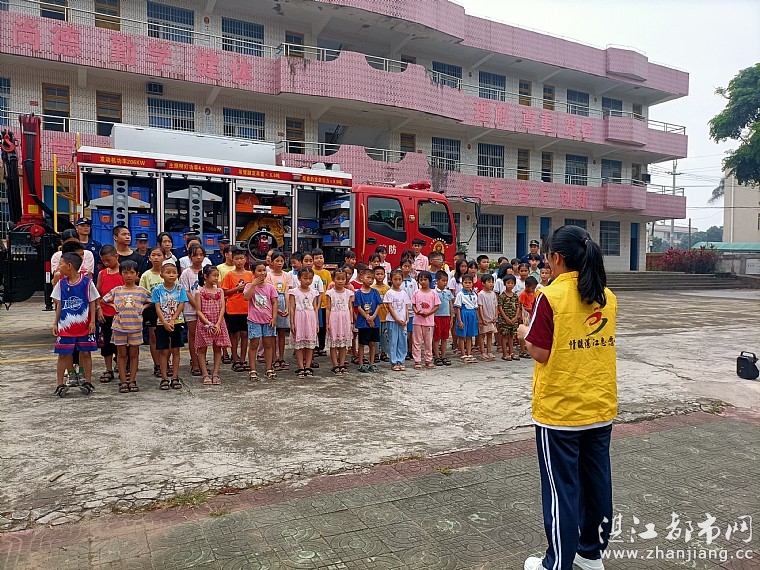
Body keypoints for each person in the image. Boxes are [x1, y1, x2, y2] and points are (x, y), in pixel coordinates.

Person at [518, 225, 618, 570]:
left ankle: (557, 563)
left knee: (562, 489)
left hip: (560, 410)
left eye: (547, 257)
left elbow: (540, 351)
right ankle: (591, 554)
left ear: (557, 258)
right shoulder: (607, 296)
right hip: (599, 405)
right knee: (596, 484)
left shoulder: (550, 296)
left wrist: (522, 332)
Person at [51, 252, 99, 397]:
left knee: (86, 353)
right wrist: (55, 323)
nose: (58, 267)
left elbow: (92, 301)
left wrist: (92, 321)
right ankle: (60, 383)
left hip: (84, 325)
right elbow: (59, 304)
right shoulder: (61, 283)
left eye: (61, 264)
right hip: (66, 326)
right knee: (63, 354)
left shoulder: (87, 282)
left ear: (69, 266)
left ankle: (87, 381)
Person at [101, 260, 150, 393]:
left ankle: (132, 380)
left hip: (135, 327)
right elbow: (103, 300)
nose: (129, 275)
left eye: (132, 273)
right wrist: (113, 305)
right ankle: (123, 381)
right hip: (119, 327)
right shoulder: (117, 290)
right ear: (121, 274)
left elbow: (153, 301)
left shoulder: (141, 291)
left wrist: (144, 307)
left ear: (137, 274)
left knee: (134, 354)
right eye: (125, 273)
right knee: (121, 354)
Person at [152, 259, 188, 390]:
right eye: (168, 272)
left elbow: (181, 304)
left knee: (176, 350)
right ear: (162, 275)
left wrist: (172, 320)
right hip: (162, 324)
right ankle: (164, 378)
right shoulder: (157, 290)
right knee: (164, 351)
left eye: (174, 272)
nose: (171, 275)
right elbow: (157, 307)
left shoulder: (180, 288)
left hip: (177, 322)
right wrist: (164, 322)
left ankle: (175, 377)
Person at [194, 265, 231, 386]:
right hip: (205, 323)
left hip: (218, 322)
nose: (216, 278)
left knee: (217, 347)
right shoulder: (199, 292)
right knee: (202, 348)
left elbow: (222, 308)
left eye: (217, 276)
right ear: (205, 276)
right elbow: (198, 311)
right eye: (214, 275)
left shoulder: (220, 291)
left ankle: (215, 373)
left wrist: (218, 323)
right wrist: (208, 324)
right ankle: (205, 374)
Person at [243, 260, 278, 382]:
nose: (262, 273)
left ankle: (269, 368)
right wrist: (253, 285)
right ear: (253, 272)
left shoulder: (270, 287)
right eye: (259, 270)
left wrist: (274, 317)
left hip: (268, 320)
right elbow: (246, 297)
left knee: (268, 344)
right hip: (254, 320)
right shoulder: (249, 286)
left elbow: (274, 302)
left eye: (264, 270)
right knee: (254, 344)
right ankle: (253, 369)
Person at [95, 245, 124, 383]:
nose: (106, 263)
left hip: (122, 314)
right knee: (106, 342)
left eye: (108, 260)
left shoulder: (124, 272)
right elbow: (97, 293)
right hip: (106, 314)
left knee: (122, 343)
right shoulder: (102, 274)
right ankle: (108, 369)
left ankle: (122, 366)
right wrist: (98, 309)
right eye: (103, 261)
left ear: (116, 256)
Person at [222, 247, 253, 373]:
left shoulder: (250, 274)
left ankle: (243, 359)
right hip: (233, 309)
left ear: (245, 259)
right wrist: (237, 288)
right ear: (232, 260)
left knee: (245, 334)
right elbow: (224, 292)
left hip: (247, 309)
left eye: (241, 258)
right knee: (234, 335)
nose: (239, 261)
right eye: (236, 259)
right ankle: (235, 358)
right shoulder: (229, 275)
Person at [288, 266, 320, 379]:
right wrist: (292, 323)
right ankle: (301, 367)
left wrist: (317, 323)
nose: (308, 281)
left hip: (310, 318)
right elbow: (292, 308)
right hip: (299, 317)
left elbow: (315, 308)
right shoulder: (294, 292)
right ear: (299, 278)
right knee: (299, 344)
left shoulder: (314, 292)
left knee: (310, 344)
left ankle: (308, 366)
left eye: (310, 278)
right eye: (305, 278)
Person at [140, 246, 167, 377]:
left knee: (167, 338)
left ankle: (166, 363)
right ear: (149, 257)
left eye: (159, 255)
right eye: (153, 255)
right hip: (152, 310)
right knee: (153, 336)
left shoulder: (168, 272)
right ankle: (157, 364)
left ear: (164, 257)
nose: (156, 258)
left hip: (167, 310)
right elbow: (142, 294)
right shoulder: (146, 275)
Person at [180, 244, 206, 377]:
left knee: (204, 337)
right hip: (191, 309)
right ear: (190, 256)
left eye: (201, 255)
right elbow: (185, 291)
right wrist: (197, 305)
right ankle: (195, 363)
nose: (199, 257)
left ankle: (202, 363)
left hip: (206, 309)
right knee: (193, 335)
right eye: (195, 255)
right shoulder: (186, 273)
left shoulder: (206, 270)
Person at [266, 250, 292, 372]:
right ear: (272, 262)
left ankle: (281, 358)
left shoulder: (287, 275)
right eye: (277, 261)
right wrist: (275, 310)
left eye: (282, 261)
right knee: (272, 333)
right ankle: (273, 358)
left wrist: (287, 307)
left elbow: (287, 292)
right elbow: (269, 293)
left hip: (283, 302)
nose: (280, 263)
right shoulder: (268, 276)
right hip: (272, 303)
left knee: (282, 333)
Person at [325, 268, 353, 375]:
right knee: (333, 342)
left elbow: (350, 307)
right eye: (338, 279)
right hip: (334, 318)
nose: (340, 281)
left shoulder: (348, 293)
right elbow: (328, 308)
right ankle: (335, 365)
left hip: (345, 319)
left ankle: (342, 364)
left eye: (343, 279)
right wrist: (327, 322)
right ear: (333, 279)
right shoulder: (330, 293)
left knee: (343, 343)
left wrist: (351, 321)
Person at [354, 267, 382, 373]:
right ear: (361, 278)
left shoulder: (375, 292)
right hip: (363, 322)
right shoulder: (358, 293)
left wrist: (373, 317)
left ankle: (372, 363)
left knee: (372, 343)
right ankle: (361, 363)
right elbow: (358, 307)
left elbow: (379, 305)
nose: (370, 280)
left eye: (372, 278)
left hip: (374, 321)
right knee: (361, 343)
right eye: (368, 277)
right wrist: (367, 317)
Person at [411, 270, 440, 369]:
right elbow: (413, 305)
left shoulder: (433, 293)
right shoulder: (416, 292)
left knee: (428, 342)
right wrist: (416, 311)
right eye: (421, 280)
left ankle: (428, 359)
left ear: (429, 281)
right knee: (417, 341)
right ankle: (417, 360)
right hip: (417, 321)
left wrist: (428, 313)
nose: (423, 282)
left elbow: (437, 306)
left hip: (429, 321)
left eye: (425, 279)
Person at [383, 269, 409, 372]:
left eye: (399, 279)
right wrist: (397, 319)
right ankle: (394, 361)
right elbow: (390, 307)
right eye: (395, 279)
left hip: (403, 321)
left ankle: (401, 360)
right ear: (391, 280)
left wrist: (406, 319)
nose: (398, 282)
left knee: (402, 341)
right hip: (392, 321)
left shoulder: (403, 293)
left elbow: (406, 307)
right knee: (393, 341)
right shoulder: (389, 293)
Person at [311, 248, 331, 358]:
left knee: (323, 327)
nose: (319, 260)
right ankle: (313, 347)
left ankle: (321, 347)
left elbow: (329, 287)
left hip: (324, 304)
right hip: (313, 304)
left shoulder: (327, 273)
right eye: (317, 258)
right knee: (314, 326)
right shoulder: (311, 272)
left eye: (321, 258)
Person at [454, 274, 478, 363]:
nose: (467, 284)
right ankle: (463, 354)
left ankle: (469, 353)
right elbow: (457, 308)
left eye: (469, 282)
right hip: (463, 314)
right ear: (462, 283)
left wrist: (477, 319)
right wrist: (460, 320)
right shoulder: (460, 294)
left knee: (469, 336)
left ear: (472, 283)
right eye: (465, 282)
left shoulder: (474, 294)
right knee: (462, 335)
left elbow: (476, 307)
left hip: (472, 314)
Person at [432, 270, 453, 367]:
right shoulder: (433, 292)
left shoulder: (448, 292)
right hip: (437, 317)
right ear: (437, 280)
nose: (445, 283)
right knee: (436, 338)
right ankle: (436, 356)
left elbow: (450, 305)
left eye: (446, 281)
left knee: (445, 338)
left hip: (446, 317)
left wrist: (451, 318)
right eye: (443, 280)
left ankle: (444, 356)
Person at [497, 275, 520, 361]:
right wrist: (506, 318)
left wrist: (515, 317)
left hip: (513, 319)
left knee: (511, 336)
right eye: (508, 283)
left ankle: (511, 352)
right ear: (504, 284)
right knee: (504, 336)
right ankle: (505, 353)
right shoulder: (502, 296)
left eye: (512, 283)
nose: (510, 285)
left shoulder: (515, 296)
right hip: (504, 320)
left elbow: (518, 307)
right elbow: (500, 308)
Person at [372, 265, 390, 363]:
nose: (379, 276)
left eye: (381, 274)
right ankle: (375, 353)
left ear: (384, 276)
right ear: (373, 275)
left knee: (385, 335)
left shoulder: (388, 288)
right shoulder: (372, 288)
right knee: (376, 335)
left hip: (386, 315)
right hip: (376, 316)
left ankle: (384, 352)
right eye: (377, 274)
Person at [477, 273, 497, 361]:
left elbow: (496, 305)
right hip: (484, 319)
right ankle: (482, 352)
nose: (491, 284)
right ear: (483, 283)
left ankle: (489, 351)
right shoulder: (481, 294)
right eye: (489, 282)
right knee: (482, 335)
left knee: (490, 335)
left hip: (491, 318)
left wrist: (496, 315)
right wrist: (482, 318)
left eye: (492, 282)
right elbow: (480, 307)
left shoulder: (493, 294)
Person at [400, 257, 417, 359]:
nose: (407, 268)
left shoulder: (413, 282)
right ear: (401, 267)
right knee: (403, 332)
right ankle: (404, 351)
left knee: (411, 332)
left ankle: (411, 350)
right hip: (401, 310)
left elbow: (416, 295)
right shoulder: (398, 280)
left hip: (411, 310)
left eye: (409, 266)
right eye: (405, 266)